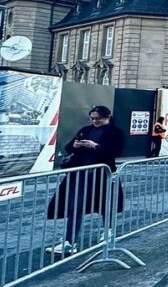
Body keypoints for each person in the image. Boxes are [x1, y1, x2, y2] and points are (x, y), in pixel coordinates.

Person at [45, 106, 125, 256]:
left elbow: (116, 151)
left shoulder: (115, 132)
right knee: (75, 206)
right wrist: (74, 145)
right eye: (92, 118)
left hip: (103, 173)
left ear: (107, 117)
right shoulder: (85, 130)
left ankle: (107, 233)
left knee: (105, 204)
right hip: (80, 173)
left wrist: (95, 146)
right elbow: (68, 147)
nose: (94, 121)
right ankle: (69, 241)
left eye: (97, 118)